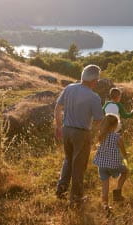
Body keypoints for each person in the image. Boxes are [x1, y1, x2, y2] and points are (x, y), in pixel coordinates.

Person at [54, 64, 104, 206]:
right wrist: (94, 134)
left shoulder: (69, 88)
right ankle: (76, 198)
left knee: (68, 160)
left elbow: (58, 107)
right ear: (93, 79)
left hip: (66, 130)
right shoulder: (94, 97)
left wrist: (58, 127)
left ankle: (61, 190)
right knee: (79, 166)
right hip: (81, 133)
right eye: (97, 80)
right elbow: (99, 120)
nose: (97, 82)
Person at [93, 114, 129, 210]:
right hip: (114, 164)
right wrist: (125, 155)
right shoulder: (117, 137)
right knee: (125, 172)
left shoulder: (101, 136)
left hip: (102, 166)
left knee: (105, 185)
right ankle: (117, 192)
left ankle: (105, 205)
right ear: (115, 126)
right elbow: (123, 150)